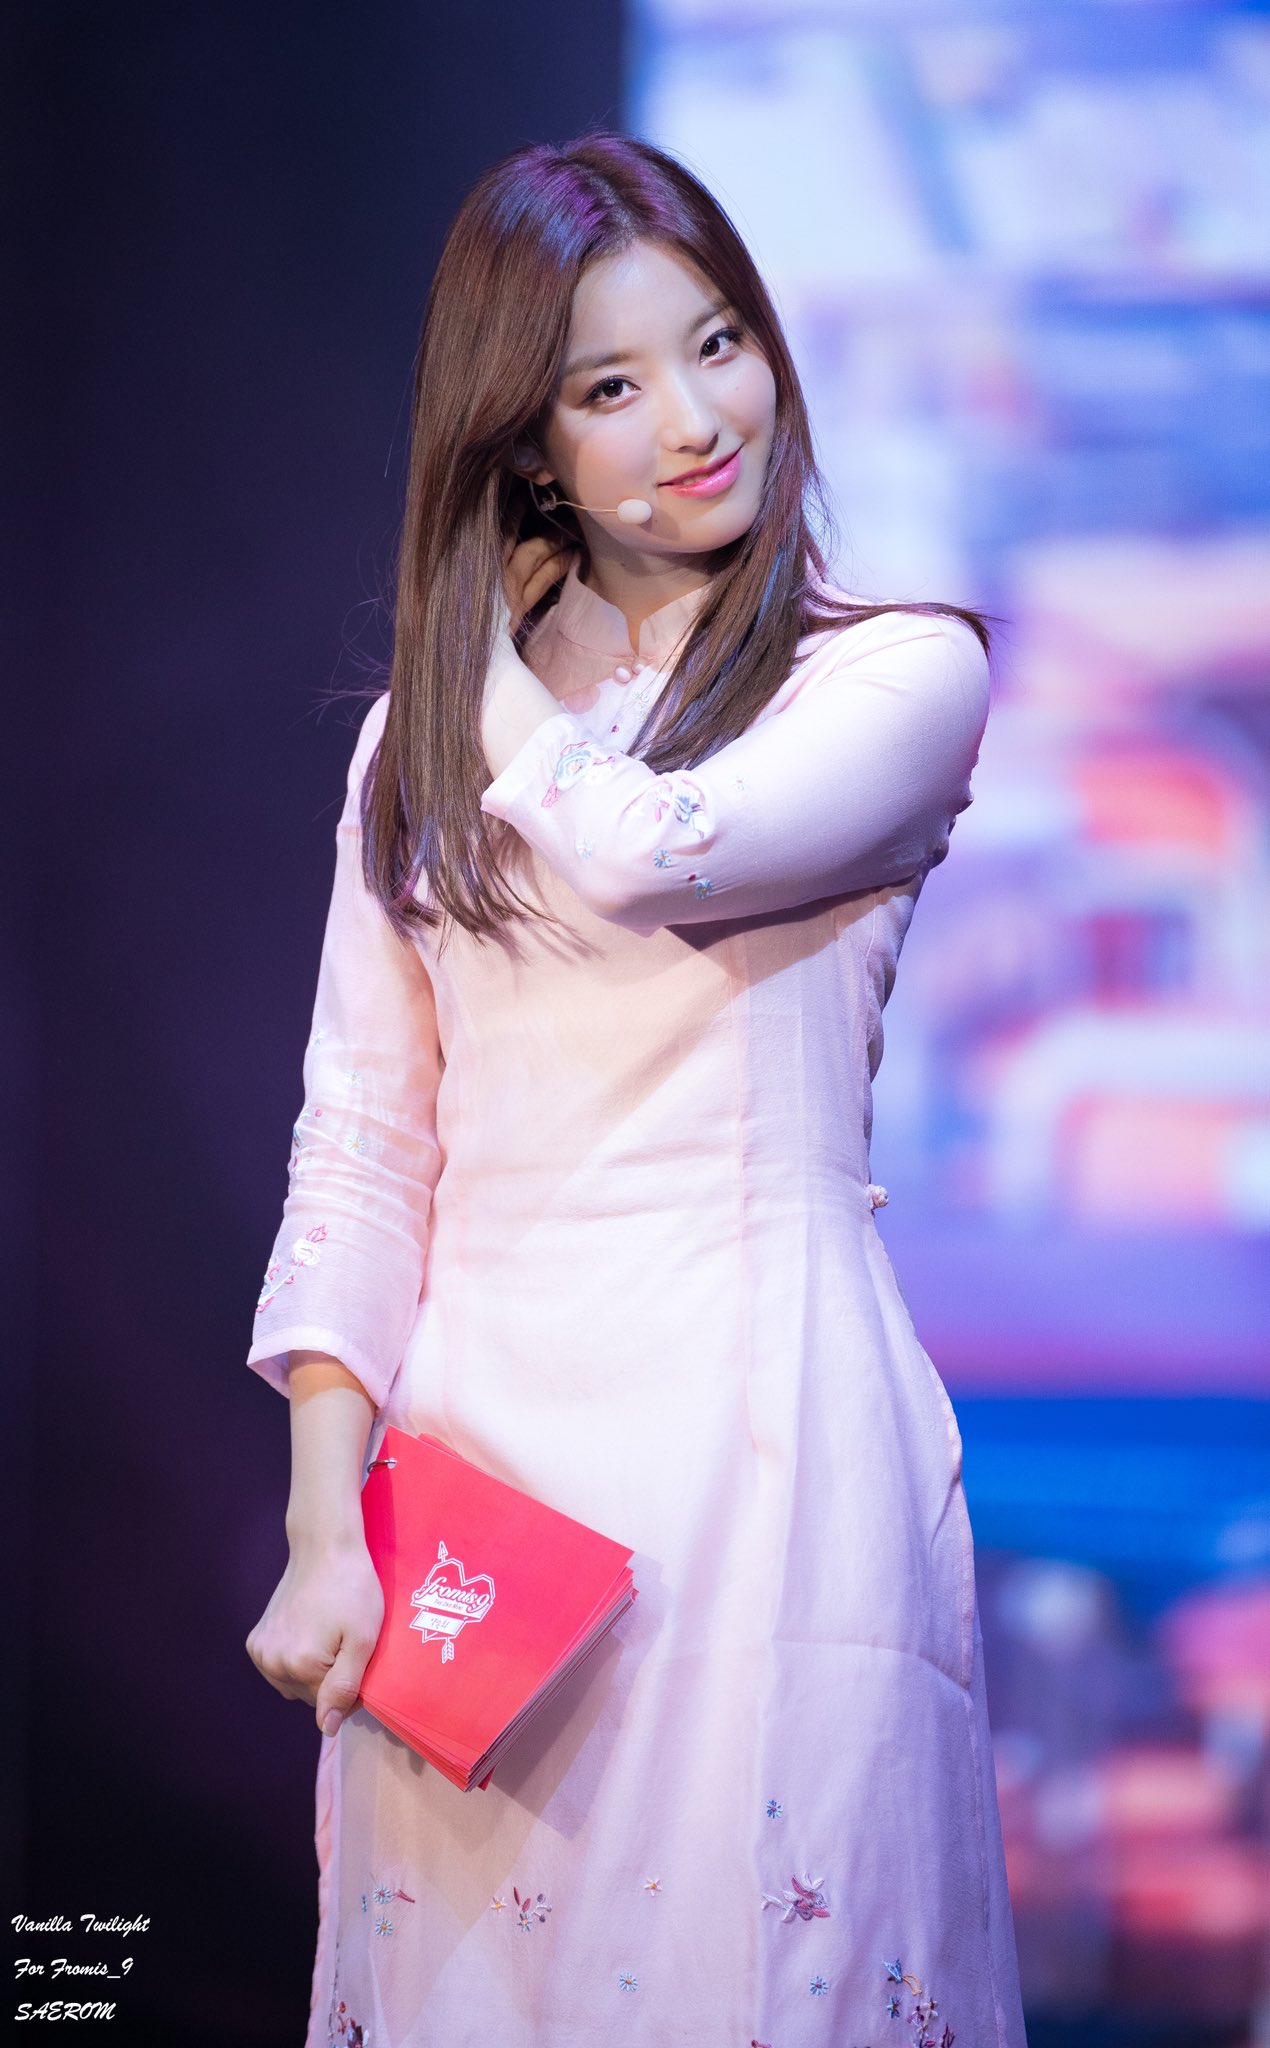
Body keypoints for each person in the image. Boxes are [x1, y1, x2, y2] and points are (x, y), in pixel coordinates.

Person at [244, 133, 1027, 2048]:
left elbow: (644, 850)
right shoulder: (413, 754)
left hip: (762, 1442)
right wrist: (327, 1528)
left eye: (717, 343)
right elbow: (363, 1144)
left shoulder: (890, 676)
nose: (694, 419)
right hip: (479, 1490)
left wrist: (469, 659)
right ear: (524, 443)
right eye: (608, 386)